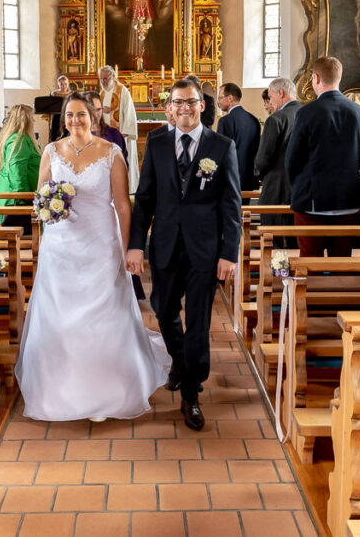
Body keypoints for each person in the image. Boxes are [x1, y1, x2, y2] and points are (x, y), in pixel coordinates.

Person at [16, 91, 170, 421]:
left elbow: (123, 204)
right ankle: (60, 387)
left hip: (101, 243)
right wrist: (46, 211)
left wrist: (129, 247)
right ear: (63, 119)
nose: (74, 121)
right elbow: (40, 195)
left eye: (81, 115)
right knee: (60, 315)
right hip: (61, 246)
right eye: (69, 115)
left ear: (93, 117)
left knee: (105, 313)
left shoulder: (112, 153)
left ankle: (108, 387)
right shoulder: (51, 151)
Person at [127, 78, 241, 432]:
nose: (185, 108)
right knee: (162, 308)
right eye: (178, 103)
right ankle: (179, 360)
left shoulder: (221, 146)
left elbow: (231, 204)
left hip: (204, 249)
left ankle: (191, 391)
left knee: (198, 322)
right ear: (169, 108)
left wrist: (229, 252)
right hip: (164, 244)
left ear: (202, 106)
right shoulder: (158, 142)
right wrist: (136, 244)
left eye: (191, 102)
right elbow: (145, 198)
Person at [285, 56, 360, 257]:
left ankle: (312, 289)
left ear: (316, 78)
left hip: (312, 201)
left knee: (310, 263)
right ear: (339, 78)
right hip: (348, 200)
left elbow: (292, 160)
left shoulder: (307, 113)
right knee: (341, 263)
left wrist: (300, 187)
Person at [254, 77, 300, 240]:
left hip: (277, 190)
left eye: (271, 96)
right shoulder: (309, 114)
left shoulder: (276, 119)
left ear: (280, 93)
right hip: (302, 190)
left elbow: (263, 158)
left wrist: (258, 173)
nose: (270, 101)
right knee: (298, 242)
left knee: (274, 244)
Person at [0, 104, 40, 234]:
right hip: (16, 202)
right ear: (25, 120)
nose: (34, 121)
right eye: (32, 118)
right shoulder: (19, 140)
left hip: (16, 199)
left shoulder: (19, 138)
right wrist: (25, 197)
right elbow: (17, 173)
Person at [98, 66, 139, 191]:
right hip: (105, 138)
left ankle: (126, 190)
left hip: (121, 136)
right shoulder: (102, 93)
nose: (104, 82)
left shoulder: (122, 91)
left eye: (106, 79)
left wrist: (125, 134)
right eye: (101, 79)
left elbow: (129, 112)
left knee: (123, 164)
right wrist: (100, 109)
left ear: (113, 77)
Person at [216, 82, 261, 191]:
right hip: (250, 178)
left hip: (231, 178)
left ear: (230, 98)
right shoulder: (253, 119)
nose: (218, 102)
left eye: (220, 98)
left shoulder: (225, 121)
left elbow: (221, 153)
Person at [85, 91, 128, 163]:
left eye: (98, 109)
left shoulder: (114, 134)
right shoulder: (76, 135)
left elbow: (123, 163)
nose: (95, 114)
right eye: (91, 110)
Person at [49, 75, 71, 143]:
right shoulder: (55, 94)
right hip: (57, 116)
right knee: (54, 134)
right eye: (61, 84)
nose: (63, 86)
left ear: (68, 84)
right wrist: (51, 96)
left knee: (66, 134)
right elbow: (50, 104)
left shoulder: (71, 94)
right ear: (58, 84)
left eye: (65, 84)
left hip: (67, 116)